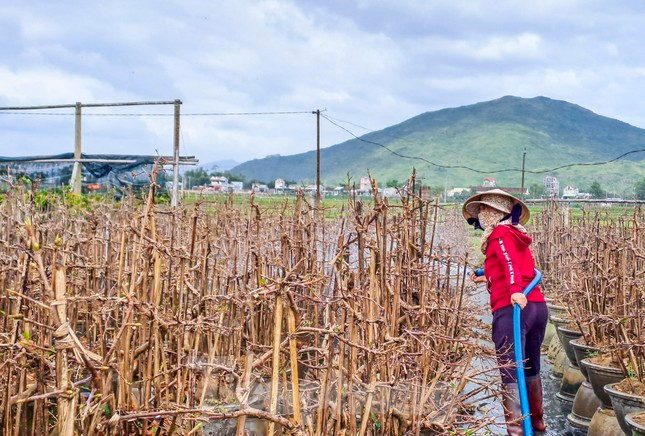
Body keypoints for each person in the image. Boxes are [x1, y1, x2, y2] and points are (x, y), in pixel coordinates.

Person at [464, 189, 547, 435]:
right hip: (536, 307)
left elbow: (509, 263)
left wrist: (514, 290)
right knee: (531, 366)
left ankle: (517, 431)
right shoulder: (515, 233)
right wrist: (484, 275)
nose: (479, 216)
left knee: (510, 370)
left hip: (512, 309)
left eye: (483, 210)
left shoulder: (499, 234)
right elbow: (517, 265)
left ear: (494, 213)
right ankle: (538, 424)